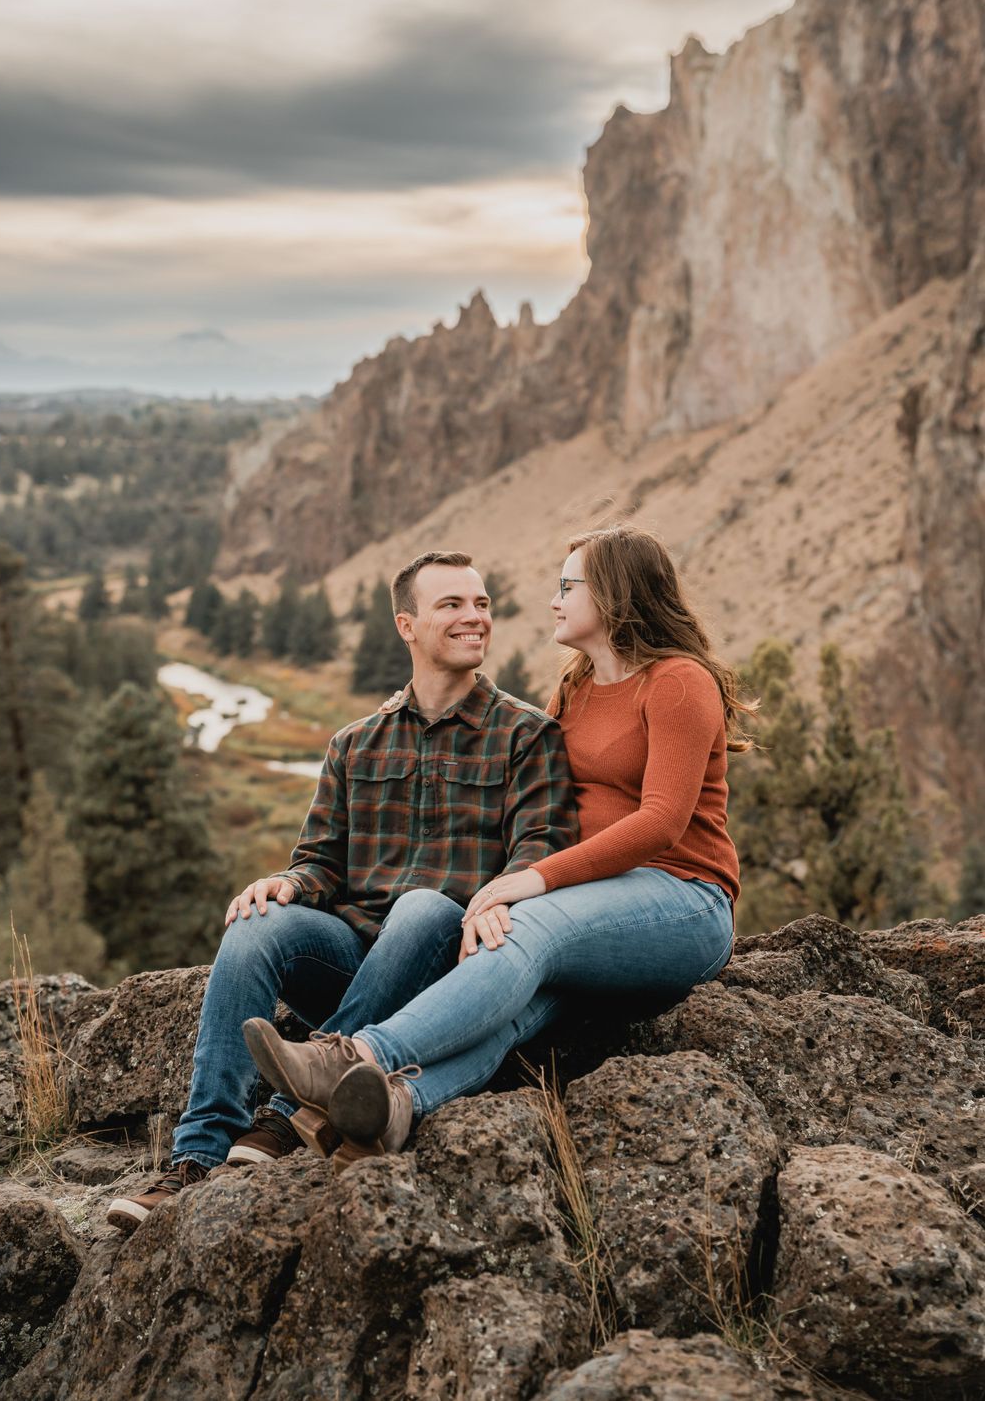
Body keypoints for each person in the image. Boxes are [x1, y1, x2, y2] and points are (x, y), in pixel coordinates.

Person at [245, 525, 753, 1171]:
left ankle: (353, 1055)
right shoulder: (575, 689)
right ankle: (393, 1108)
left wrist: (530, 881)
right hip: (590, 913)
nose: (554, 600)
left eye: (568, 586)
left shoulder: (679, 681)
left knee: (526, 927)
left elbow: (661, 823)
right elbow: (536, 800)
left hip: (681, 902)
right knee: (512, 1006)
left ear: (614, 594)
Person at [107, 550, 577, 1232]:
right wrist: (287, 882)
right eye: (452, 604)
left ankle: (287, 1115)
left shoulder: (528, 735)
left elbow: (542, 851)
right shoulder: (355, 743)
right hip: (356, 961)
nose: (475, 616)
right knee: (256, 923)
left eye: (481, 603)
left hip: (451, 977)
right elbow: (320, 863)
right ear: (406, 625)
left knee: (422, 908)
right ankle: (197, 1156)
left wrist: (497, 896)